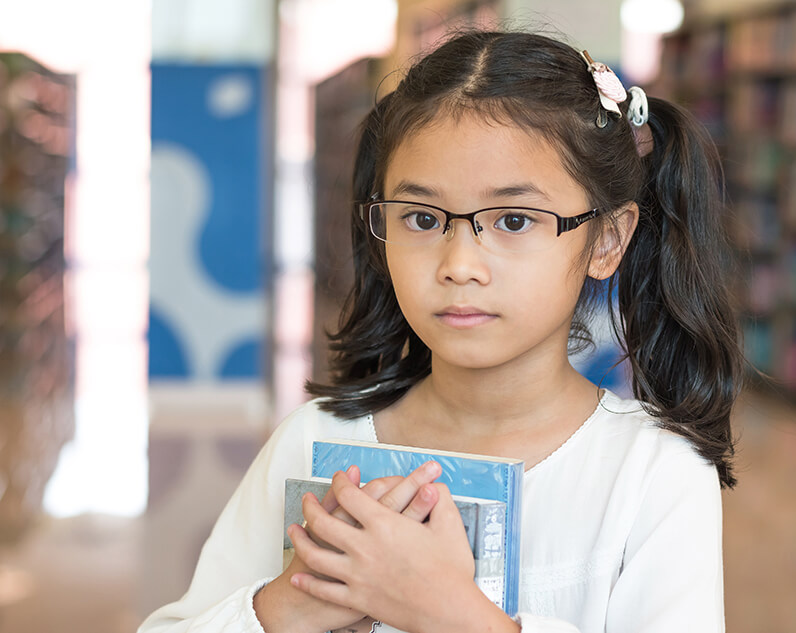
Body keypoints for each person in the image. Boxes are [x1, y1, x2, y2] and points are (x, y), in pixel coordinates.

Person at [138, 29, 742, 633]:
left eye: (512, 220)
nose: (458, 264)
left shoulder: (652, 472)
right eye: (423, 218)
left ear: (605, 239)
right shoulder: (311, 438)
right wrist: (291, 604)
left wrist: (448, 613)